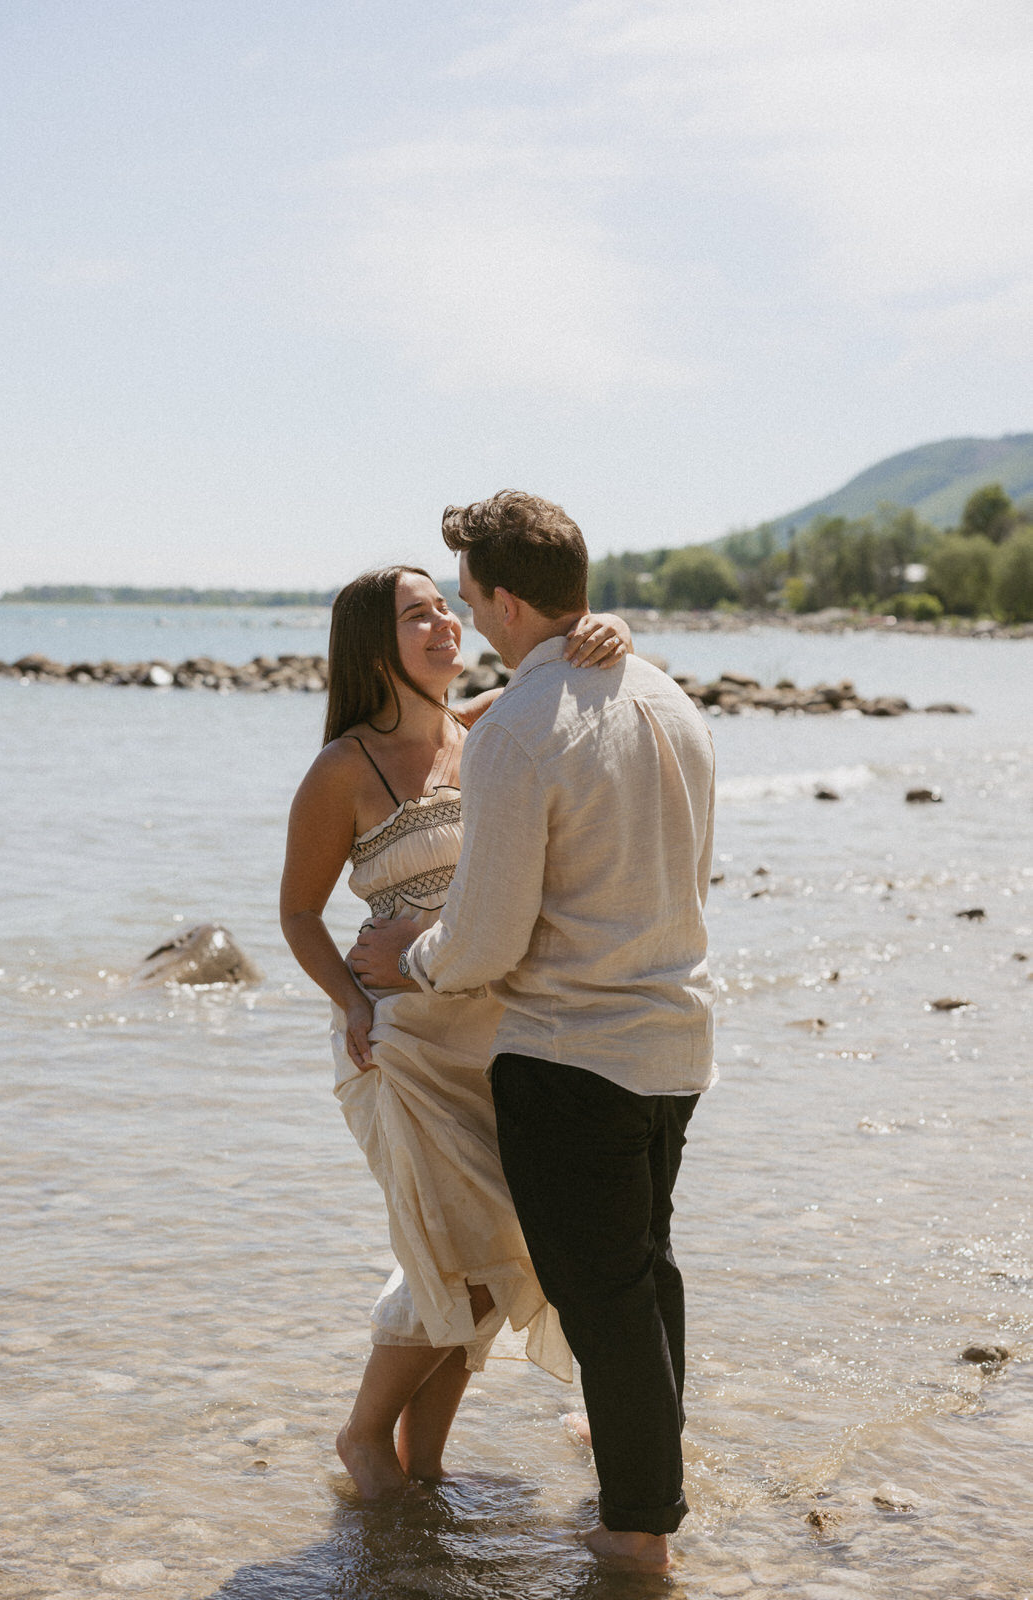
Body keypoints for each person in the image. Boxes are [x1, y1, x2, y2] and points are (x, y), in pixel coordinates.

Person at [349, 493, 716, 1573]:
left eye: (469, 600)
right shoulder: (672, 699)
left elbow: (485, 943)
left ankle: (638, 1532)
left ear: (507, 600)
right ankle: (648, 1482)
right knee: (643, 1275)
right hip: (673, 1042)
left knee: (605, 1294)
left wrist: (404, 955)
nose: (468, 621)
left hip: (570, 1056)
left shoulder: (516, 727)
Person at [280, 564, 631, 1500]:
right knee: (458, 1255)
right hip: (397, 1048)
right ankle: (363, 1439)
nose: (444, 623)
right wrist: (352, 1006)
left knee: (498, 1250)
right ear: (372, 645)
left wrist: (610, 631)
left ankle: (423, 1468)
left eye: (445, 606)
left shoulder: (488, 727)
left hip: (495, 1038)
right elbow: (300, 915)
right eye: (416, 615)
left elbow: (584, 675)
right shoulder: (343, 767)